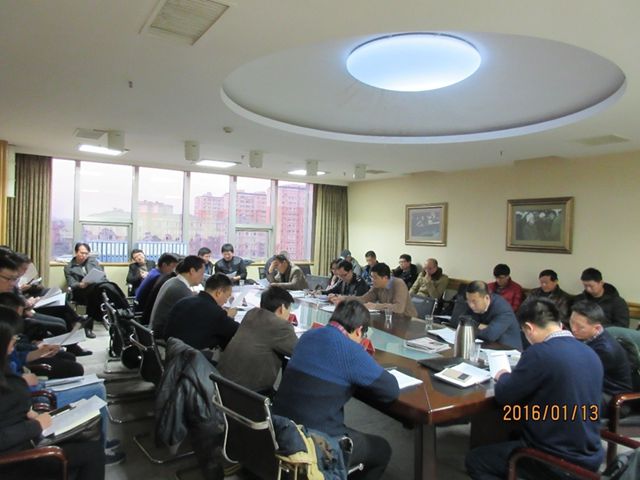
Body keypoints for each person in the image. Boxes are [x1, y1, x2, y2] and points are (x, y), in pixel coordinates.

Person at [465, 298, 604, 480]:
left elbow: (504, 396)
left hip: (555, 460)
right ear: (560, 323)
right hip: (591, 456)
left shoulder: (539, 353)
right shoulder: (591, 353)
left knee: (476, 460)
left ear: (529, 328)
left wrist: (503, 375)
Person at [273, 300, 399, 480]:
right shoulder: (351, 351)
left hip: (281, 428)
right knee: (382, 449)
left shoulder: (308, 335)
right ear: (359, 331)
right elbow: (391, 391)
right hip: (313, 442)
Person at [0, 307, 106, 480]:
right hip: (15, 460)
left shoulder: (5, 367)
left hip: (25, 438)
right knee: (93, 452)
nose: (13, 347)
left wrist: (28, 414)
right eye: (12, 340)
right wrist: (36, 425)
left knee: (87, 430)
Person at [217, 286, 297, 395]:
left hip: (221, 384)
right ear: (282, 308)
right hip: (249, 394)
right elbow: (299, 353)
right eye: (289, 310)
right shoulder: (281, 327)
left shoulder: (251, 314)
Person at [570, 300, 632, 409]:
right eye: (571, 322)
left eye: (580, 327)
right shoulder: (584, 337)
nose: (573, 329)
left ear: (597, 328)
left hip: (612, 397)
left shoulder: (605, 350)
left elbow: (580, 376)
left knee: (566, 401)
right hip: (594, 388)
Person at [164, 273, 238, 351]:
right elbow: (237, 331)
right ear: (218, 293)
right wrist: (229, 316)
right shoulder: (215, 312)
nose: (226, 301)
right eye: (227, 296)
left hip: (170, 351)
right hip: (192, 356)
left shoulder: (183, 301)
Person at [150, 255, 205, 339]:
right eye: (202, 273)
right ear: (192, 271)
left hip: (154, 331)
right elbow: (197, 318)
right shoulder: (181, 289)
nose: (203, 277)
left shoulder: (173, 281)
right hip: (163, 338)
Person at [458, 281, 522, 350]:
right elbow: (459, 321)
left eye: (474, 301)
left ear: (487, 298)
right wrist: (480, 326)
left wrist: (471, 327)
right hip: (485, 346)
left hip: (508, 350)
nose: (471, 305)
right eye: (468, 301)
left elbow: (489, 335)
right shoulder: (474, 304)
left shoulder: (503, 309)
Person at [63, 242, 105, 338]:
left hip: (94, 288)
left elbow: (102, 275)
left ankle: (87, 324)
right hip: (79, 291)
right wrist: (80, 284)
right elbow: (71, 283)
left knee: (97, 292)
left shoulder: (93, 261)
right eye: (82, 253)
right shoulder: (69, 267)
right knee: (92, 298)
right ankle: (88, 327)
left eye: (86, 253)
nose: (84, 256)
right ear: (76, 252)